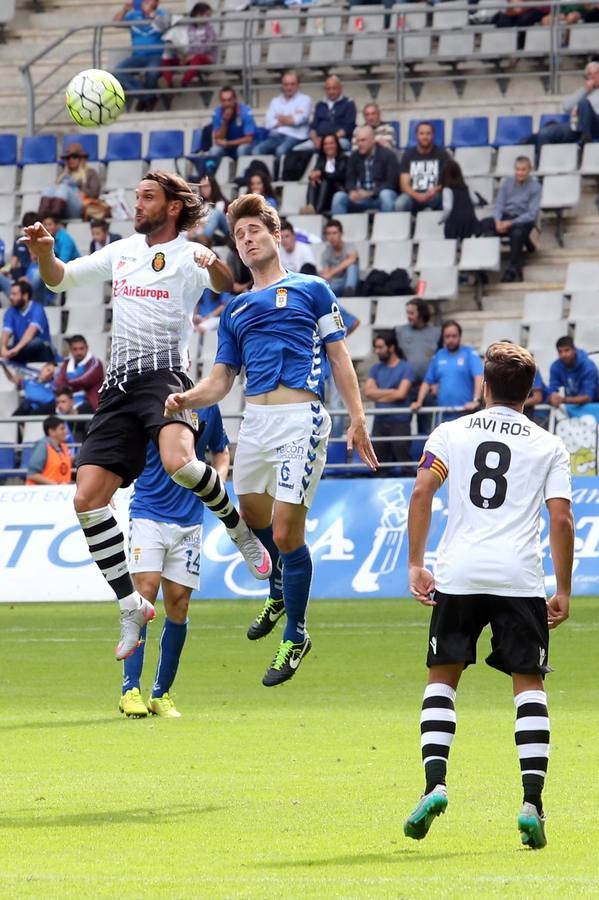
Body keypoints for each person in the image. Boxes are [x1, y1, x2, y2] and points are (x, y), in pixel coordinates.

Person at [25, 171, 267, 659]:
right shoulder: (122, 252)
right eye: (136, 197)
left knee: (180, 462)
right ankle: (130, 604)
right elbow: (60, 279)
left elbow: (228, 283)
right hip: (118, 387)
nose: (137, 205)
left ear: (173, 207)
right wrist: (44, 254)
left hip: (164, 377)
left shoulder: (188, 256)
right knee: (87, 499)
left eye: (147, 198)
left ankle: (239, 531)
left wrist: (213, 261)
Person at [164, 192, 377, 684]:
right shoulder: (236, 310)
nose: (246, 239)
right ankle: (279, 588)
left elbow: (340, 357)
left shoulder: (312, 289)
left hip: (301, 417)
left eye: (254, 230)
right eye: (239, 235)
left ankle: (296, 633)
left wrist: (357, 417)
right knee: (252, 515)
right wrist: (186, 399)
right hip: (254, 424)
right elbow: (221, 382)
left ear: (275, 236)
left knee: (284, 533)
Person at [401, 341, 573, 851]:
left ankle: (435, 784)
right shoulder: (548, 445)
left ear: (484, 385)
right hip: (520, 579)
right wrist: (562, 589)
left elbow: (420, 493)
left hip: (459, 574)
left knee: (442, 679)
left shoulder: (450, 433)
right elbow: (560, 518)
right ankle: (531, 802)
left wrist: (416, 562)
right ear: (531, 393)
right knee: (528, 684)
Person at [118, 402, 228, 718]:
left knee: (178, 604)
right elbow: (125, 448)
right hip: (148, 513)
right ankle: (130, 690)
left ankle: (161, 694)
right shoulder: (150, 400)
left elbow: (221, 452)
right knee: (145, 596)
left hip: (190, 519)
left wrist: (216, 481)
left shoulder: (209, 407)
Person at [483, 157, 541, 282]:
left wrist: (510, 223)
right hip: (505, 217)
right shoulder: (507, 183)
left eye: (523, 170)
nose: (520, 173)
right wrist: (498, 221)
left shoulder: (535, 187)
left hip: (522, 219)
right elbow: (498, 205)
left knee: (517, 233)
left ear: (529, 170)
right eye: (517, 169)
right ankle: (484, 269)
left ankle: (512, 269)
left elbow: (531, 214)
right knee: (485, 226)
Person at [411, 322, 484, 420]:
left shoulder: (469, 353)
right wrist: (419, 402)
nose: (451, 339)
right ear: (443, 338)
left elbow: (478, 377)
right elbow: (427, 381)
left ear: (460, 336)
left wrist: (476, 400)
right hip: (444, 415)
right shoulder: (439, 355)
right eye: (447, 336)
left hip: (466, 413)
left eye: (454, 336)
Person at [536, 60, 599, 145]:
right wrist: (584, 90)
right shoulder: (582, 91)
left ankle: (585, 136)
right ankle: (539, 154)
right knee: (544, 133)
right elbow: (566, 107)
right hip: (576, 127)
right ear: (586, 78)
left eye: (596, 73)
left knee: (584, 103)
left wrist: (585, 112)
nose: (593, 76)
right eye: (590, 74)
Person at [364, 331, 415, 469]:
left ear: (391, 348)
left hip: (400, 422)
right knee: (378, 465)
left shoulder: (405, 367)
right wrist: (392, 391)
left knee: (405, 463)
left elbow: (401, 394)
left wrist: (379, 393)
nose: (377, 351)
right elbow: (368, 392)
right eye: (376, 347)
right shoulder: (375, 369)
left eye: (380, 347)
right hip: (380, 422)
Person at [113, 0, 169, 108]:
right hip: (137, 56)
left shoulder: (162, 13)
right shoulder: (133, 15)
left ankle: (145, 100)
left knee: (152, 73)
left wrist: (151, 14)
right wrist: (124, 9)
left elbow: (164, 27)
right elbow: (115, 23)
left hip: (156, 56)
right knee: (118, 72)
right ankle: (148, 97)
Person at [332, 125, 400, 215]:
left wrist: (370, 193)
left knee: (386, 195)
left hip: (379, 197)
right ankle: (337, 228)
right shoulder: (353, 157)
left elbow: (391, 183)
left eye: (363, 140)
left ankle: (387, 228)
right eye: (358, 141)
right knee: (339, 197)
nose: (360, 144)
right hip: (360, 198)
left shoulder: (388, 155)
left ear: (372, 140)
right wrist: (352, 191)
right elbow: (349, 180)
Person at [250, 71, 313, 158]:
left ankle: (278, 172)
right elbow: (268, 124)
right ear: (282, 86)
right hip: (275, 136)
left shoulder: (305, 99)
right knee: (256, 151)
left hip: (295, 136)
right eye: (286, 84)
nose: (289, 87)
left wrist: (279, 117)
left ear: (298, 85)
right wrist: (289, 119)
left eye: (292, 84)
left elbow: (297, 120)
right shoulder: (275, 101)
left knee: (281, 151)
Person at [198, 86, 257, 176]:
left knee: (242, 149)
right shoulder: (217, 112)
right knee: (214, 150)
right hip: (226, 146)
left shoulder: (245, 111)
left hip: (243, 145)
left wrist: (228, 143)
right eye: (224, 100)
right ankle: (210, 178)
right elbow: (217, 138)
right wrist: (225, 121)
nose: (227, 103)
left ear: (235, 99)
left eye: (229, 100)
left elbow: (249, 138)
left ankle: (240, 177)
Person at [160, 1, 216, 92]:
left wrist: (191, 56)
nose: (209, 18)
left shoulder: (209, 28)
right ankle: (169, 84)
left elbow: (209, 47)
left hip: (206, 57)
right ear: (199, 14)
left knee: (198, 58)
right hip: (189, 57)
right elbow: (183, 44)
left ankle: (184, 83)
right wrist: (183, 56)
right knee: (166, 59)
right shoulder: (189, 27)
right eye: (207, 15)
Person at [397, 121, 452, 213]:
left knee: (445, 199)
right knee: (400, 204)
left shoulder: (442, 154)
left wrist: (435, 190)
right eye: (421, 133)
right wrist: (417, 195)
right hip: (413, 195)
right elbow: (404, 185)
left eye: (428, 133)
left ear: (433, 135)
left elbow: (448, 180)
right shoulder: (408, 155)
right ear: (416, 135)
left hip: (435, 195)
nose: (425, 137)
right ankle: (409, 226)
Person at [41, 143, 103, 221]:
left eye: (74, 157)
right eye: (68, 158)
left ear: (81, 158)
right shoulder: (63, 175)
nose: (71, 160)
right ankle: (42, 219)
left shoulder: (91, 172)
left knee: (64, 188)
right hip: (64, 209)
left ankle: (53, 220)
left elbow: (95, 193)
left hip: (81, 207)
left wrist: (78, 185)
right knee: (48, 189)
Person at [0, 280, 54, 365]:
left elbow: (30, 332)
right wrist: (3, 348)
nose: (11, 297)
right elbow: (6, 332)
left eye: (14, 294)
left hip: (39, 350)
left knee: (35, 344)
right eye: (11, 294)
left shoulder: (37, 309)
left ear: (25, 296)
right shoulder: (10, 312)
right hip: (20, 349)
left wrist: (15, 350)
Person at [546, 336, 599, 407]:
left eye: (567, 350)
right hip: (568, 407)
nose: (563, 355)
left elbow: (588, 397)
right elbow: (552, 389)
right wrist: (552, 397)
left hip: (592, 407)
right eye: (560, 352)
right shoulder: (555, 366)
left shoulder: (588, 366)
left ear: (574, 350)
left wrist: (564, 400)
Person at [55, 334, 104, 411]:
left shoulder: (95, 363)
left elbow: (84, 381)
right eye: (75, 349)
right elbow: (59, 382)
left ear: (87, 348)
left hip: (89, 404)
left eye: (81, 348)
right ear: (70, 350)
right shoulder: (66, 363)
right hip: (67, 402)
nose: (78, 352)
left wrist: (67, 386)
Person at [309, 75, 356, 151]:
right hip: (319, 140)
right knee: (297, 149)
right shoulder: (320, 104)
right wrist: (315, 140)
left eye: (334, 88)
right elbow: (313, 127)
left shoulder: (348, 103)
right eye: (328, 89)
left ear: (340, 88)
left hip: (340, 140)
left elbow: (349, 126)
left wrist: (330, 140)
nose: (331, 91)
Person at [26, 415, 75, 486]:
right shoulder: (42, 446)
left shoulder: (64, 447)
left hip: (58, 492)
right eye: (62, 429)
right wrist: (57, 485)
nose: (66, 432)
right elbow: (32, 475)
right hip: (43, 494)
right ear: (51, 431)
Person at [306, 133, 346, 215]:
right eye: (326, 144)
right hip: (320, 194)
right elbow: (315, 173)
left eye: (331, 143)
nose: (328, 146)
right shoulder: (321, 160)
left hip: (335, 194)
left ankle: (317, 211)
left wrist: (322, 174)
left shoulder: (344, 159)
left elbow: (338, 176)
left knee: (325, 181)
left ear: (337, 145)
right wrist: (312, 177)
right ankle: (310, 207)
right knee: (313, 181)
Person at [318, 220, 359, 298]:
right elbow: (327, 275)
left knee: (352, 267)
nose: (332, 237)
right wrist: (330, 274)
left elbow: (352, 259)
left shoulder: (349, 246)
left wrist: (332, 272)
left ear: (341, 234)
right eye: (328, 234)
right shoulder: (326, 253)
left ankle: (349, 291)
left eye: (334, 233)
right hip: (336, 283)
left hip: (349, 280)